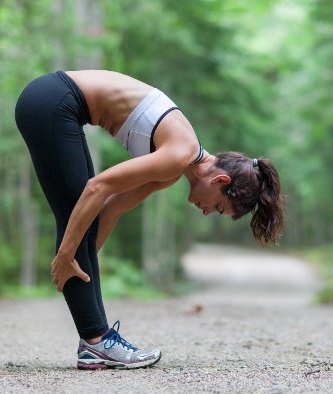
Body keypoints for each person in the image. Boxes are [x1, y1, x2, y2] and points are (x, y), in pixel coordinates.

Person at [15, 70, 285, 370]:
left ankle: (96, 342)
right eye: (219, 207)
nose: (207, 212)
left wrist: (86, 260)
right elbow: (98, 187)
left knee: (82, 221)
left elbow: (110, 209)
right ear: (220, 179)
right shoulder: (179, 154)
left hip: (55, 102)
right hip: (53, 99)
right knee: (75, 214)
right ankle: (96, 343)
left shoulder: (173, 169)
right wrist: (67, 254)